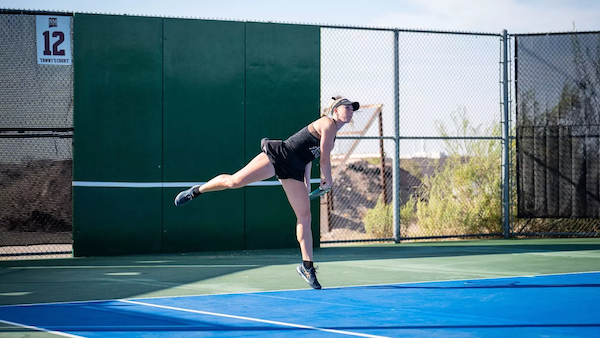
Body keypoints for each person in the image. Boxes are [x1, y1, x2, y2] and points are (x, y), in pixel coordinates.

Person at [174, 95, 360, 289]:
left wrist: (306, 183)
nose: (350, 110)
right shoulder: (327, 124)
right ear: (335, 111)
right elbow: (324, 160)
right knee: (234, 181)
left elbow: (309, 158)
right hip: (281, 155)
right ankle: (197, 190)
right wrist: (328, 180)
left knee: (304, 217)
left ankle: (307, 267)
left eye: (352, 108)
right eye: (346, 107)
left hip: (295, 169)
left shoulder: (333, 133)